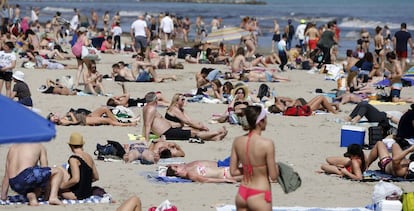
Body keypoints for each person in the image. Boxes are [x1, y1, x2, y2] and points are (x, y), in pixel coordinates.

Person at [230, 106, 279, 210]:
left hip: (242, 192)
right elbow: (273, 176)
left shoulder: (237, 141)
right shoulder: (267, 144)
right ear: (260, 122)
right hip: (259, 193)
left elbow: (233, 171)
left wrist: (251, 169)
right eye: (265, 118)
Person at [142, 91, 227, 142]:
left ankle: (215, 138)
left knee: (192, 131)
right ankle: (217, 133)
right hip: (166, 132)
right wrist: (146, 139)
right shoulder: (151, 109)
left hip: (169, 129)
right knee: (193, 133)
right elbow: (147, 124)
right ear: (155, 100)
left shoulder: (148, 108)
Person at [60, 132, 99, 200]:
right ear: (82, 145)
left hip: (77, 194)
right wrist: (85, 183)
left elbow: (75, 179)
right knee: (60, 168)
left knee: (56, 189)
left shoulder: (73, 159)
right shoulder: (89, 156)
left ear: (70, 146)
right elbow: (96, 177)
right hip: (88, 192)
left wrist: (62, 186)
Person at [47, 106, 138, 126]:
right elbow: (75, 122)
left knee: (104, 109)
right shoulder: (63, 122)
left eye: (54, 116)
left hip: (86, 116)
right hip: (86, 121)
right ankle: (128, 124)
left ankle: (118, 121)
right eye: (54, 119)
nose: (55, 117)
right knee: (107, 120)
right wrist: (71, 115)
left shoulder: (61, 118)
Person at [166, 160, 241, 183]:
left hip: (226, 169)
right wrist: (225, 180)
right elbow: (205, 180)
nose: (178, 165)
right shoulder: (191, 174)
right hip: (226, 175)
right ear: (176, 173)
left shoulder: (190, 169)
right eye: (176, 167)